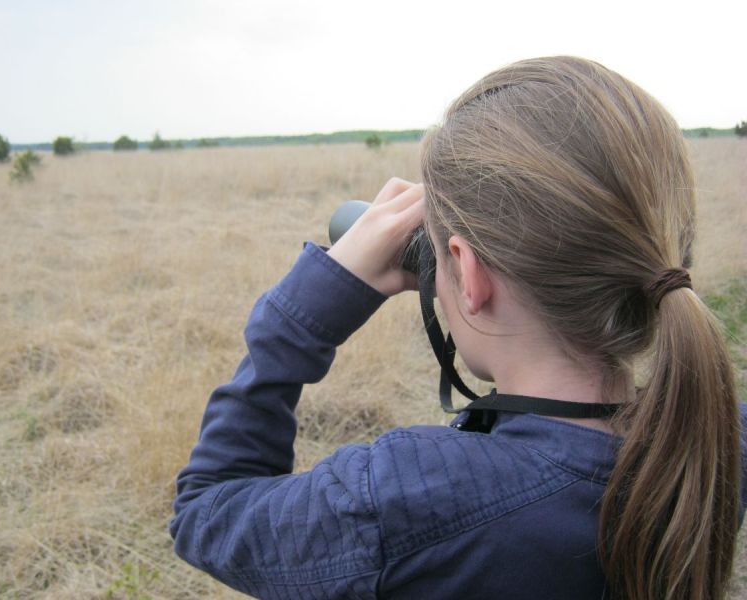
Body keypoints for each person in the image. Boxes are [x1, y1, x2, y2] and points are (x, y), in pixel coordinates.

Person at [170, 56, 746, 599]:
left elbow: (206, 509)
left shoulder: (405, 500)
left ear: (467, 272)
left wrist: (301, 311)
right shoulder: (719, 435)